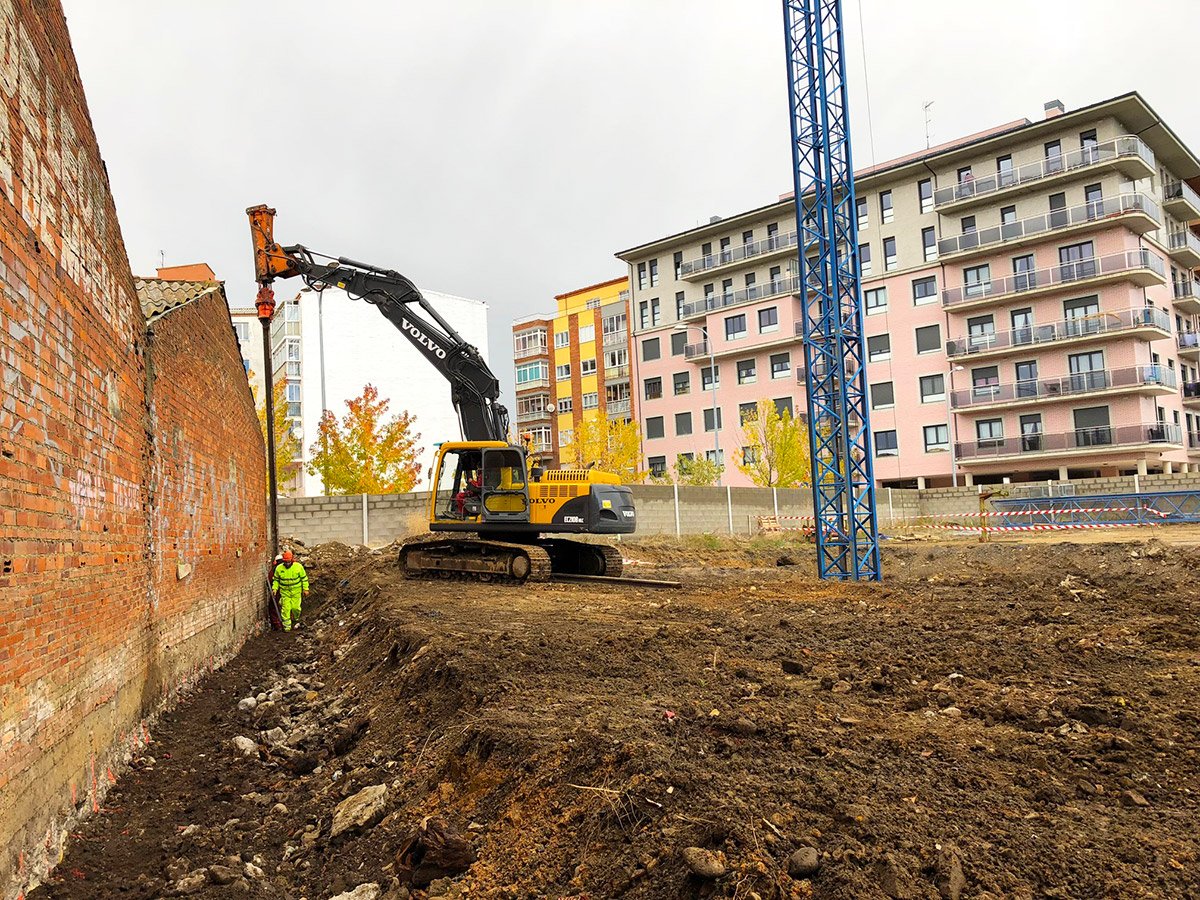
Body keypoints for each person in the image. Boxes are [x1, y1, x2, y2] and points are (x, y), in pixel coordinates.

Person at [271, 549, 309, 632]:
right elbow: (276, 580)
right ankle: (287, 627)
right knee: (286, 609)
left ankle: (296, 618)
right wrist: (275, 589)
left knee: (296, 608)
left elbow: (304, 579)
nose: (287, 564)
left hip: (296, 591)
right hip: (285, 592)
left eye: (288, 562)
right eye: (285, 562)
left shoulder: (298, 567)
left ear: (292, 560)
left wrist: (305, 589)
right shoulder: (279, 568)